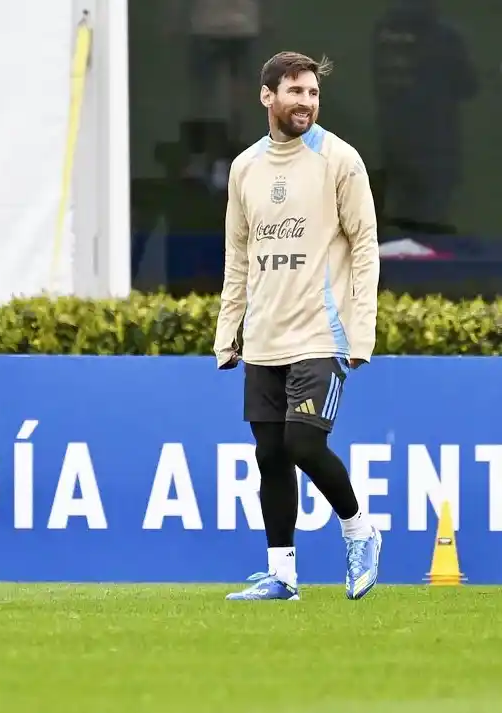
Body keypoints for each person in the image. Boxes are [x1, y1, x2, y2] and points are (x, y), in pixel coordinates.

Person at [212, 51, 382, 601]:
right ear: (268, 97)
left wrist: (362, 329)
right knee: (270, 456)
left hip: (320, 334)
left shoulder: (340, 160)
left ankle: (359, 531)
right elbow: (237, 256)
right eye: (295, 91)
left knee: (305, 444)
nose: (306, 102)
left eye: (312, 92)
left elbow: (365, 247)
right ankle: (282, 575)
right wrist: (227, 330)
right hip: (264, 336)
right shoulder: (245, 168)